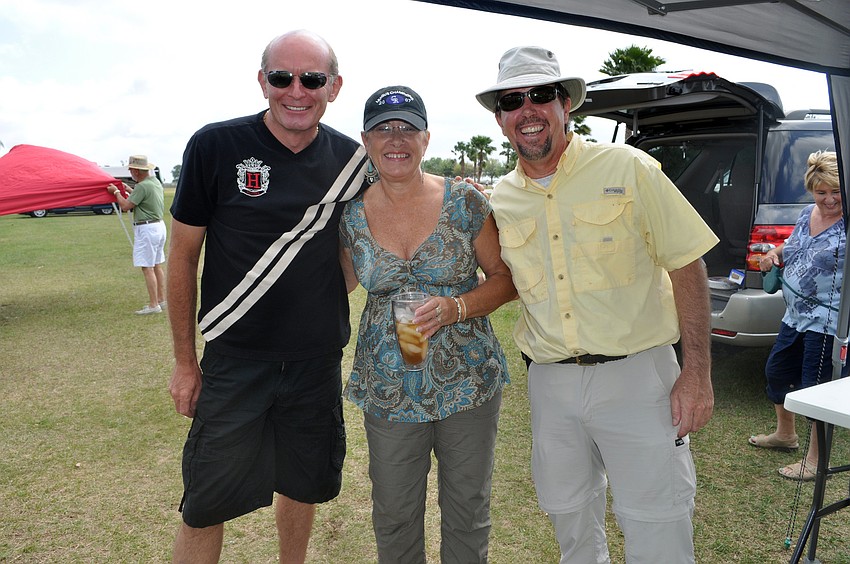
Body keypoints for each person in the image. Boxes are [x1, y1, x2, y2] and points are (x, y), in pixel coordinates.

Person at [475, 46, 719, 563]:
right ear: (500, 119)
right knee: (571, 523)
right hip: (550, 384)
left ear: (565, 104)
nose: (527, 109)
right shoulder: (501, 199)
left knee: (658, 524)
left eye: (540, 95)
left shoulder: (628, 167)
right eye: (512, 100)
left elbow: (687, 263)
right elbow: (504, 279)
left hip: (638, 378)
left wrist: (697, 371)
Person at [166, 30, 368, 563]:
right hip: (234, 361)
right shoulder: (215, 146)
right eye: (282, 77)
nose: (296, 91)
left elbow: (363, 248)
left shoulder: (353, 162)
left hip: (315, 362)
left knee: (302, 486)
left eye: (312, 79)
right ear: (262, 81)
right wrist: (185, 362)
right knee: (204, 504)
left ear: (334, 87)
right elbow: (182, 256)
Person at [339, 85, 516, 563]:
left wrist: (456, 307)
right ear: (366, 140)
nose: (396, 139)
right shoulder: (350, 215)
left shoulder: (465, 202)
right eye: (383, 129)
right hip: (388, 388)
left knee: (467, 509)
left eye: (407, 128)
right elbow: (338, 285)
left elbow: (505, 280)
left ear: (426, 138)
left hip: (468, 384)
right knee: (394, 512)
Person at [748, 150, 846, 481]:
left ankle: (816, 461)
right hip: (795, 316)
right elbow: (792, 245)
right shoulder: (807, 213)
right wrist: (773, 255)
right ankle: (785, 435)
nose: (829, 199)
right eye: (822, 192)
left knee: (815, 389)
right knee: (777, 373)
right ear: (811, 190)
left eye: (836, 191)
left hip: (828, 323)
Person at [107, 155, 166, 315]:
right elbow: (142, 197)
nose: (130, 173)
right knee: (156, 265)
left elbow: (126, 206)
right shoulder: (154, 182)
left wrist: (116, 192)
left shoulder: (142, 186)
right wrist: (128, 190)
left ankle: (153, 305)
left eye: (131, 170)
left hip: (147, 229)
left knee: (147, 267)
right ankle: (161, 299)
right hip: (159, 226)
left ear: (136, 171)